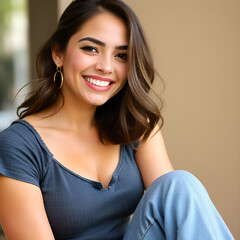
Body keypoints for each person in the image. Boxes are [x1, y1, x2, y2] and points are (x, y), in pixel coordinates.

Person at [0, 0, 234, 239]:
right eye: (90, 48)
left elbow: (171, 206)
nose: (106, 66)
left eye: (121, 55)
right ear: (58, 53)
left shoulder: (135, 126)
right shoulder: (19, 145)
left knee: (180, 184)